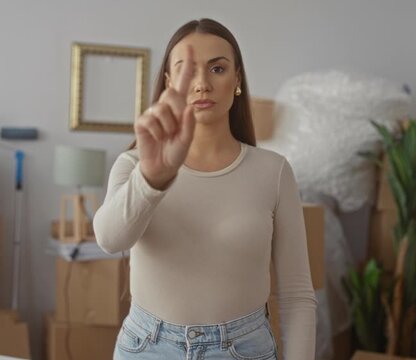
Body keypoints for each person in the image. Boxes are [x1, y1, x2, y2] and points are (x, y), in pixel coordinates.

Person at [93, 18, 316, 360]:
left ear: (237, 79)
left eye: (217, 68)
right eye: (186, 70)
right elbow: (110, 240)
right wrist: (152, 179)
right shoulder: (133, 165)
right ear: (170, 83)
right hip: (147, 347)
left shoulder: (274, 171)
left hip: (245, 349)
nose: (201, 84)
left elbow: (297, 295)